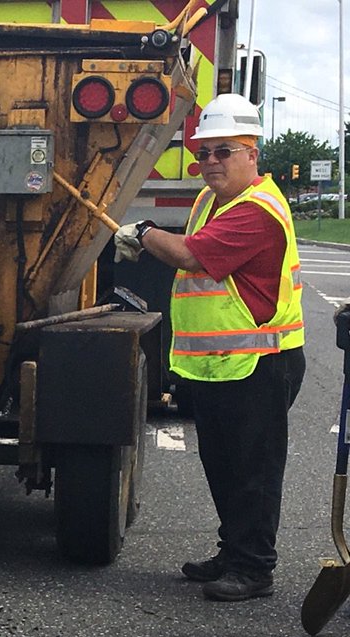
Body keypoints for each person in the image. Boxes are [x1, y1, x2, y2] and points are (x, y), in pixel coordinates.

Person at [114, 92, 304, 602]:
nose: (211, 162)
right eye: (204, 153)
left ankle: (255, 568)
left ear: (252, 153)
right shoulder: (210, 200)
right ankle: (233, 552)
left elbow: (193, 258)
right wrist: (157, 238)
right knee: (223, 465)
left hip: (259, 362)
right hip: (220, 364)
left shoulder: (257, 211)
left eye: (224, 151)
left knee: (253, 471)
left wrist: (146, 232)